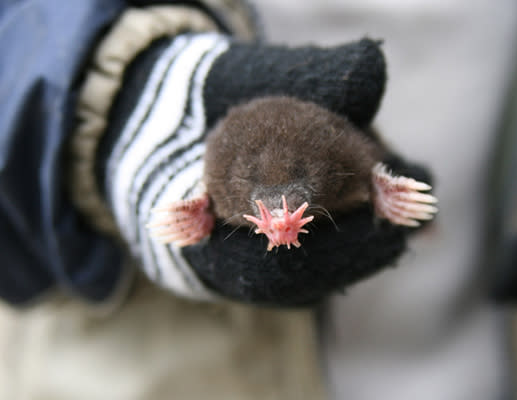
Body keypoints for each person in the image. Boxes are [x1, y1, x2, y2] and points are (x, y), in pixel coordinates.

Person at [0, 0, 431, 398]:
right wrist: (113, 98)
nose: (280, 222)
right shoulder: (225, 177)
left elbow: (355, 155)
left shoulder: (337, 159)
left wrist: (379, 185)